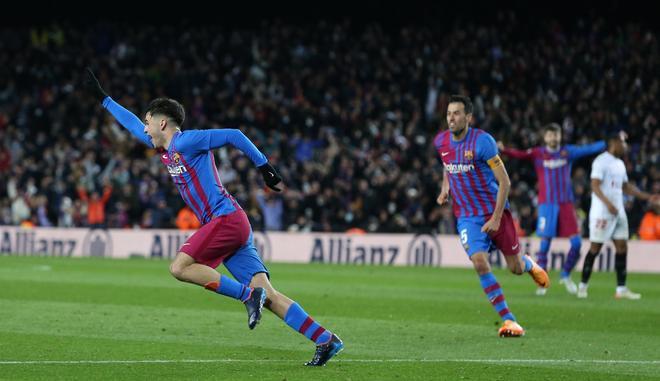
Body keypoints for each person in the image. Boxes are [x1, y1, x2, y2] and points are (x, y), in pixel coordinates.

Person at [85, 68, 343, 366]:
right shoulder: (166, 150)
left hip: (226, 219)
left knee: (180, 267)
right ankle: (325, 339)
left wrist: (265, 167)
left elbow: (234, 135)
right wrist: (105, 100)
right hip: (232, 223)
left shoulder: (186, 141)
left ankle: (247, 297)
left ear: (162, 122)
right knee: (268, 295)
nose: (143, 129)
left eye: (147, 123)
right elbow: (130, 124)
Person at [434, 95, 549, 337]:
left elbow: (505, 182)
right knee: (479, 262)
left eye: (456, 113)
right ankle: (510, 320)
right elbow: (448, 164)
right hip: (467, 216)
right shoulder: (441, 142)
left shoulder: (483, 142)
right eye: (448, 114)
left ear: (468, 117)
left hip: (495, 211)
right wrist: (445, 188)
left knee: (515, 268)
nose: (451, 118)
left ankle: (527, 263)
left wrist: (496, 218)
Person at [498, 124, 605, 295]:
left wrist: (605, 143)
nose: (553, 138)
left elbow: (587, 149)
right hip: (546, 204)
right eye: (550, 135)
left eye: (556, 135)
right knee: (545, 244)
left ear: (560, 136)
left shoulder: (567, 152)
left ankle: (565, 275)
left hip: (566, 204)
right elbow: (520, 154)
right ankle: (542, 281)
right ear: (545, 137)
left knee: (576, 244)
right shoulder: (538, 153)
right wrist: (504, 150)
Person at [578, 131, 659, 299]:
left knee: (622, 247)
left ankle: (621, 290)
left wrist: (647, 197)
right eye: (623, 142)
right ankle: (582, 286)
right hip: (602, 212)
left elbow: (626, 187)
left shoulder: (620, 164)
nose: (626, 146)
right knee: (595, 248)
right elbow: (595, 185)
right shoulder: (601, 161)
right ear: (614, 142)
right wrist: (608, 204)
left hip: (618, 211)